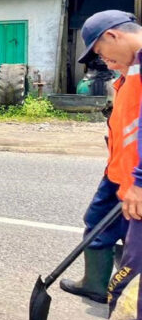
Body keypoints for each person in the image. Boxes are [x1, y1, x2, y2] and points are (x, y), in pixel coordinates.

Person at [60, 54, 133, 304]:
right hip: (118, 168)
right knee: (106, 222)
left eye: (106, 52)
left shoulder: (136, 78)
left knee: (116, 226)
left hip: (132, 174)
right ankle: (98, 283)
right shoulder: (124, 79)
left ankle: (111, 288)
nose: (106, 61)